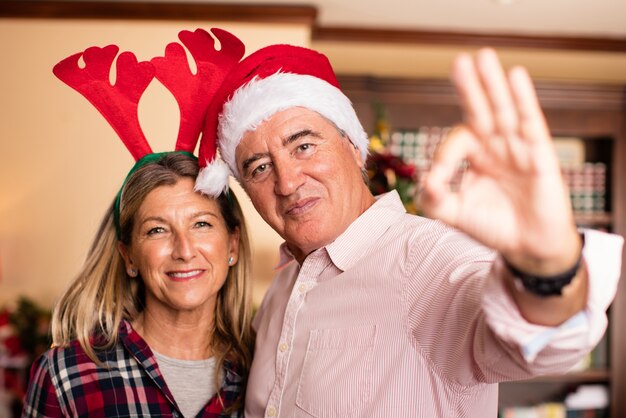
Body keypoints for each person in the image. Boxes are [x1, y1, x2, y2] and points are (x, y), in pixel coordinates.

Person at [194, 44, 624, 417]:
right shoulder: (281, 290)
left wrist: (547, 270)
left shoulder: (428, 260)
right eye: (260, 168)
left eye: (304, 145)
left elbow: (541, 342)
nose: (286, 182)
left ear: (353, 146)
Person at [22, 28, 254, 417]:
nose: (184, 250)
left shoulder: (264, 372)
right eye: (157, 229)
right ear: (128, 255)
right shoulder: (67, 377)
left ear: (231, 245)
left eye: (201, 224)